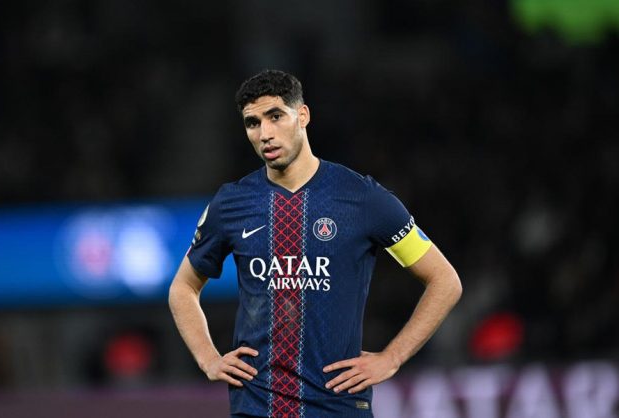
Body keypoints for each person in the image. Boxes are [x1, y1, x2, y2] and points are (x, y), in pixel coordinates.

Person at [169, 69, 462, 418]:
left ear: (303, 115)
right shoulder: (231, 203)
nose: (265, 134)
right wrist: (208, 359)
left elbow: (444, 280)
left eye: (275, 116)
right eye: (252, 123)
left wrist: (392, 357)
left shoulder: (362, 198)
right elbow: (183, 288)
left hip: (338, 406)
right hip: (257, 406)